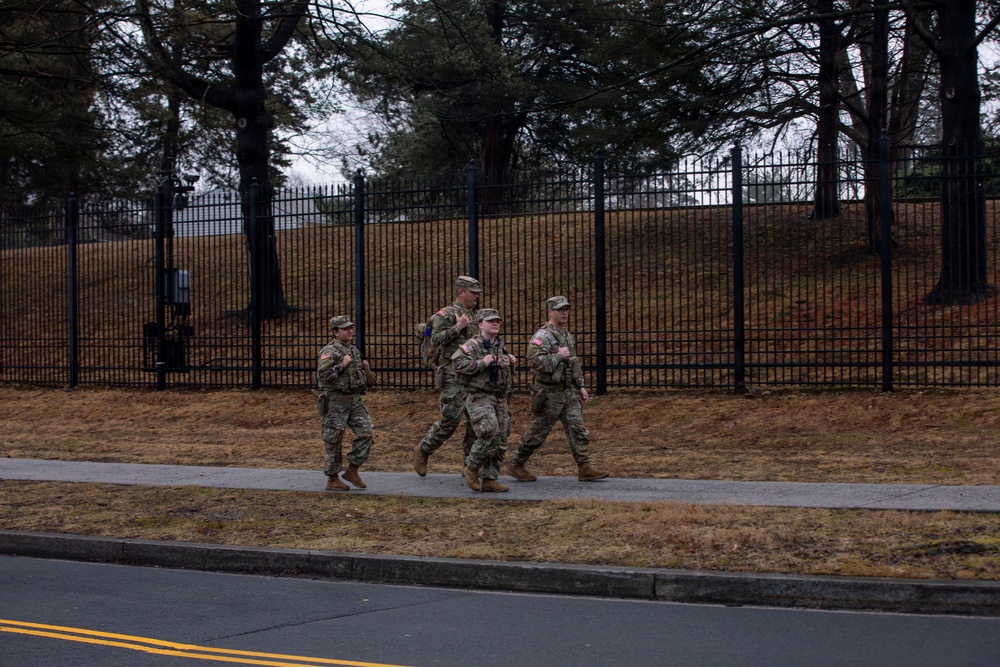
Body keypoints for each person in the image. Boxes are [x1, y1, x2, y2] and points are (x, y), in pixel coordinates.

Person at [506, 296, 609, 483]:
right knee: (537, 433)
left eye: (566, 309)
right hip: (548, 394)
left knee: (577, 428)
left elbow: (574, 363)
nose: (564, 312)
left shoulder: (567, 336)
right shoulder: (541, 337)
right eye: (560, 309)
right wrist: (557, 356)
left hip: (567, 392)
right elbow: (534, 363)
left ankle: (584, 468)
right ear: (550, 312)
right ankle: (516, 463)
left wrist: (581, 386)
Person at [413, 275, 481, 476]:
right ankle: (424, 450)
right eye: (473, 292)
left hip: (472, 374)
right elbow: (435, 340)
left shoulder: (474, 315)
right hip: (452, 375)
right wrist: (457, 327)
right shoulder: (447, 314)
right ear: (461, 292)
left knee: (474, 421)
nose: (477, 296)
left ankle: (470, 465)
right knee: (451, 419)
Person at [451, 308, 516, 492]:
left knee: (501, 439)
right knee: (489, 432)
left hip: (499, 398)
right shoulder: (472, 345)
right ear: (480, 325)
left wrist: (510, 363)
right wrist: (482, 363)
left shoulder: (499, 346)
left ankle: (490, 479)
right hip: (479, 396)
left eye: (497, 321)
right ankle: (471, 467)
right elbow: (456, 363)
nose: (495, 323)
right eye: (490, 321)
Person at [316, 316, 374, 491]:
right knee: (334, 440)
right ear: (335, 332)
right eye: (344, 329)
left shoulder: (354, 351)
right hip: (335, 401)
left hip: (354, 400)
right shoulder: (329, 352)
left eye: (350, 328)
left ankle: (352, 470)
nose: (349, 331)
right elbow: (322, 377)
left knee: (366, 433)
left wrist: (366, 369)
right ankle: (332, 479)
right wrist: (341, 365)